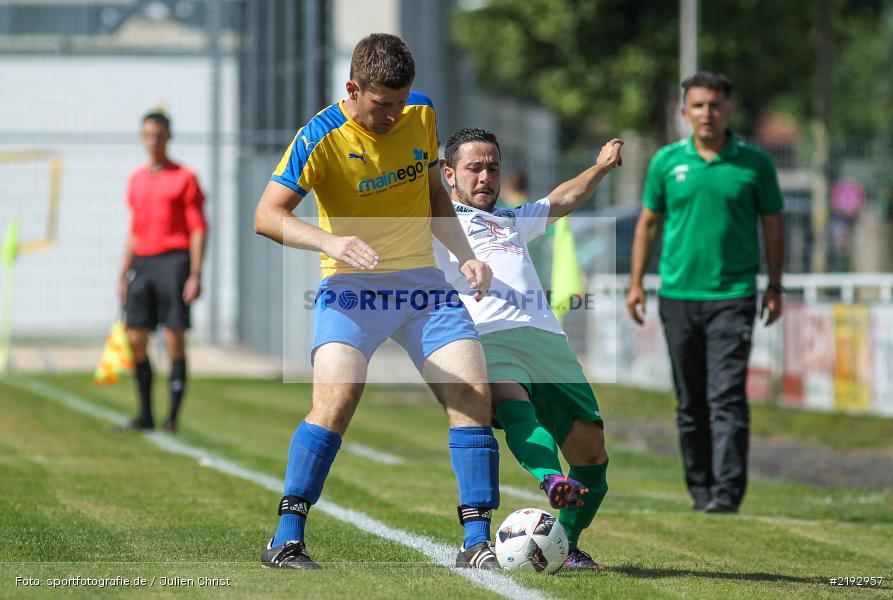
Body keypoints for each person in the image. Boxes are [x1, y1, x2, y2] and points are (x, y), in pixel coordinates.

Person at [253, 34, 501, 570]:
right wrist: (330, 241)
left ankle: (477, 542)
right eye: (380, 104)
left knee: (472, 394)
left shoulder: (422, 113)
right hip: (350, 289)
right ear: (353, 88)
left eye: (400, 101)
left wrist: (464, 255)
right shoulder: (318, 137)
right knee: (337, 400)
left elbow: (435, 193)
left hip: (423, 287)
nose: (393, 114)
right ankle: (286, 538)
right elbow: (267, 215)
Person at [435, 127, 623, 570]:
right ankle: (549, 478)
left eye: (493, 167)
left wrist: (600, 167)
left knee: (592, 455)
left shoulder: (512, 220)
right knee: (514, 405)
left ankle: (568, 545)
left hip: (547, 340)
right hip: (487, 335)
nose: (485, 176)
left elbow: (562, 199)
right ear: (448, 174)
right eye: (473, 168)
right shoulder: (438, 223)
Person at [626, 72, 784, 514]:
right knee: (690, 401)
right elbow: (648, 224)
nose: (707, 113)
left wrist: (774, 284)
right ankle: (700, 489)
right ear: (684, 112)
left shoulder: (754, 164)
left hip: (734, 295)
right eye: (698, 105)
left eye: (715, 105)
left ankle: (727, 494)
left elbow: (773, 225)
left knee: (727, 397)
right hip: (677, 295)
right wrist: (636, 282)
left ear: (728, 110)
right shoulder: (665, 162)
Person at [117, 111, 207, 434]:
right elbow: (134, 229)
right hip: (143, 263)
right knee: (136, 340)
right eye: (147, 135)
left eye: (158, 135)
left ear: (168, 137)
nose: (152, 141)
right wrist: (123, 271)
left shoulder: (185, 177)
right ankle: (144, 415)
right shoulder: (136, 180)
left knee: (173, 339)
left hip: (174, 262)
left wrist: (195, 273)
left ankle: (172, 419)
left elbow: (198, 227)